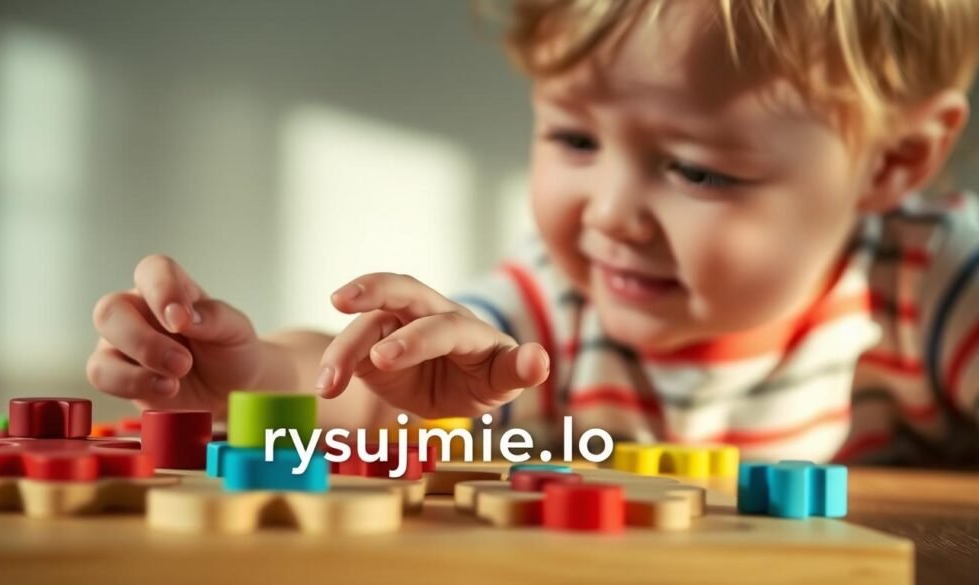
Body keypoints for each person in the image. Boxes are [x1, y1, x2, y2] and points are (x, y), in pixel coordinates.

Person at [87, 0, 979, 465]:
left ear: (893, 163)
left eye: (700, 169)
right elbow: (379, 393)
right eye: (575, 139)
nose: (608, 216)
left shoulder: (930, 283)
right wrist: (251, 378)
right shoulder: (547, 311)